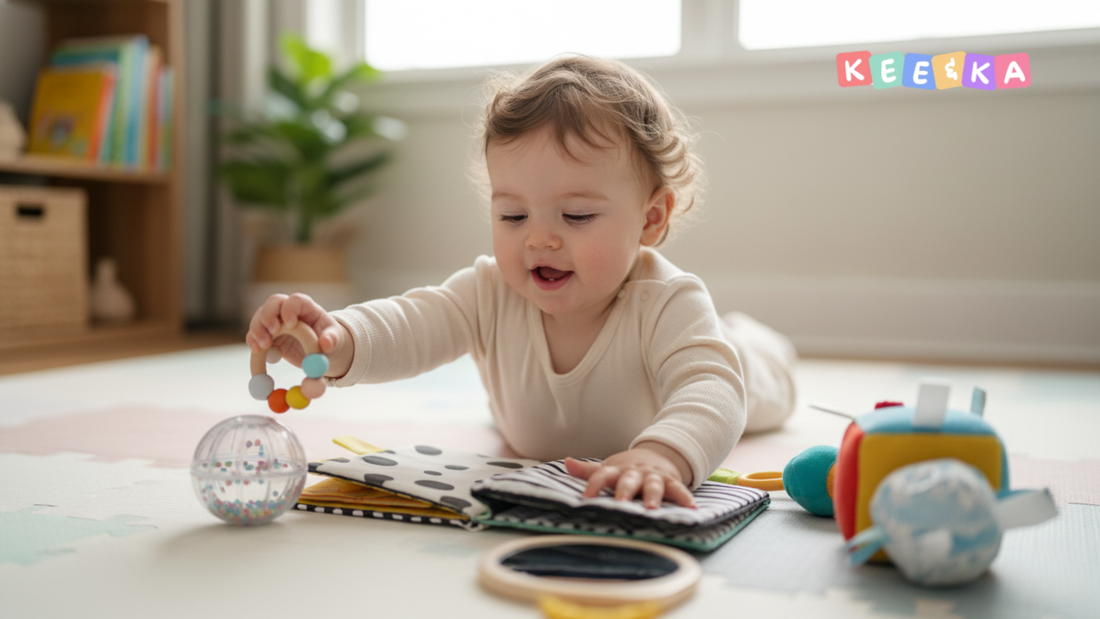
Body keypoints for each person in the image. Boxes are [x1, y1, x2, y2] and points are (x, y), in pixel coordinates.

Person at [245, 55, 797, 509]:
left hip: (740, 375)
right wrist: (335, 338)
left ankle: (755, 342)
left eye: (576, 216)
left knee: (749, 373)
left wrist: (664, 455)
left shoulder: (668, 302)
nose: (539, 241)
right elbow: (414, 324)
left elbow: (715, 392)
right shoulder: (490, 291)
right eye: (513, 216)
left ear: (651, 220)